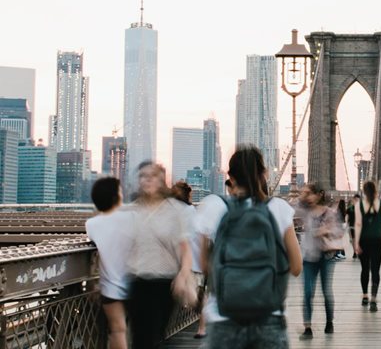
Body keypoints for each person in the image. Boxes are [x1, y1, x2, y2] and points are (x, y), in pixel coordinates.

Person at [200, 145, 302, 349]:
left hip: (223, 317)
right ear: (263, 174)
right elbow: (296, 267)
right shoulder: (279, 209)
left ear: (231, 177)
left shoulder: (213, 206)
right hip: (269, 317)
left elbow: (205, 266)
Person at [127, 161, 194, 349]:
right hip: (136, 281)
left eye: (152, 176)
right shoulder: (132, 210)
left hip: (163, 283)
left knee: (155, 335)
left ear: (162, 180)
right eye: (143, 176)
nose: (147, 180)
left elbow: (185, 248)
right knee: (141, 338)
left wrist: (183, 274)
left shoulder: (175, 210)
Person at [86, 177, 134, 349]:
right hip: (136, 282)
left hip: (110, 286)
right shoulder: (131, 217)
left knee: (117, 330)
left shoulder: (91, 224)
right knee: (138, 330)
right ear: (116, 197)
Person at [297, 182, 343, 339]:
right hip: (309, 256)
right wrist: (301, 196)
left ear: (318, 195)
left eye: (309, 193)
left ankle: (329, 322)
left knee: (326, 291)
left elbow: (339, 231)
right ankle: (307, 327)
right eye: (305, 193)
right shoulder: (305, 211)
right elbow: (291, 208)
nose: (307, 196)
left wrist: (326, 230)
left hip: (325, 257)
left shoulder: (329, 212)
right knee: (308, 292)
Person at [171, 180, 208, 339]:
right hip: (194, 260)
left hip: (189, 261)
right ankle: (202, 325)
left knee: (194, 296)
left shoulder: (181, 212)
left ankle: (202, 324)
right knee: (196, 294)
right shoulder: (191, 211)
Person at [354, 181, 381, 312]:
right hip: (377, 241)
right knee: (375, 270)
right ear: (376, 191)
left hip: (364, 240)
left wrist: (356, 242)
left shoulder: (358, 205)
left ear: (363, 191)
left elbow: (358, 224)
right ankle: (373, 299)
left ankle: (365, 295)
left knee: (364, 269)